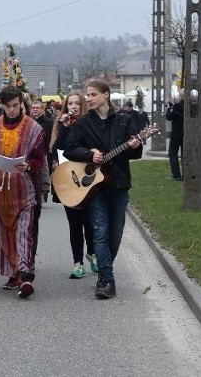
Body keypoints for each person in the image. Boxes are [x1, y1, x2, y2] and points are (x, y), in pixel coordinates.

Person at [64, 80, 142, 299]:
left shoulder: (125, 121)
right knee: (99, 232)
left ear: (106, 95)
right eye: (87, 95)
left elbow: (135, 154)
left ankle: (105, 269)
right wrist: (90, 155)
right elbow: (70, 150)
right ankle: (106, 280)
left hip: (118, 183)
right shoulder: (82, 123)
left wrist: (137, 146)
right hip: (94, 188)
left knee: (115, 235)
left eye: (92, 95)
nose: (87, 98)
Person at [0, 85, 47, 299]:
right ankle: (13, 273)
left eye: (15, 106)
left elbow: (40, 158)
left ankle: (26, 274)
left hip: (25, 191)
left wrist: (28, 166)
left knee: (25, 230)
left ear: (21, 104)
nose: (11, 110)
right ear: (2, 106)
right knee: (5, 233)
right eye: (7, 106)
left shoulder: (34, 128)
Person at [49, 91, 97, 279]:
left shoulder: (89, 125)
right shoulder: (62, 126)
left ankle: (92, 254)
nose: (73, 107)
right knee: (74, 224)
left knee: (90, 222)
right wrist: (65, 127)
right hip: (68, 180)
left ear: (83, 105)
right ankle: (78, 263)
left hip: (87, 179)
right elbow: (59, 149)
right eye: (70, 104)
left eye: (77, 103)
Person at [165, 96, 185, 181]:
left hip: (176, 133)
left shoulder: (177, 106)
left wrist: (169, 108)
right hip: (186, 133)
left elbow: (169, 117)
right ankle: (186, 174)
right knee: (185, 154)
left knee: (172, 153)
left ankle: (176, 174)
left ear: (181, 97)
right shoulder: (191, 105)